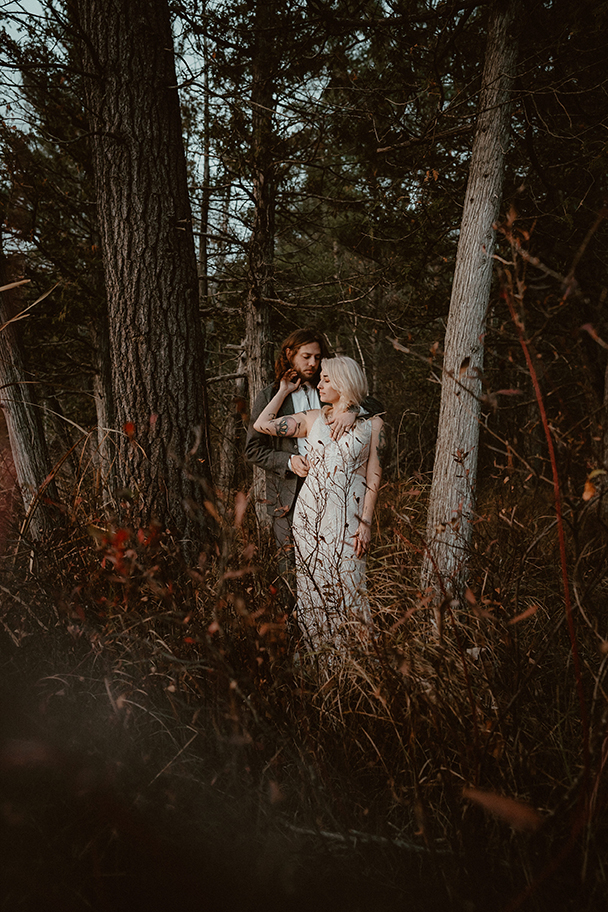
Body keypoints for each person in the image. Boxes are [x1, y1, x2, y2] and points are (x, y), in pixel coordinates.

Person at [253, 356, 385, 657]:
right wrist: (284, 391)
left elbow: (374, 477)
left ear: (343, 383)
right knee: (313, 587)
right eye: (321, 378)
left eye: (326, 379)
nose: (320, 384)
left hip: (348, 516)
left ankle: (355, 659)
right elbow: (262, 425)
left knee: (350, 583)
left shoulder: (372, 423)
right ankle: (320, 659)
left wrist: (365, 523)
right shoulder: (313, 418)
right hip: (309, 516)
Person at [245, 329, 360, 622]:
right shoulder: (270, 396)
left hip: (332, 490)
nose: (312, 363)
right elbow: (253, 448)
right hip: (287, 493)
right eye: (305, 356)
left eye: (317, 358)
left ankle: (333, 621)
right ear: (290, 355)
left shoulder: (331, 391)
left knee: (330, 559)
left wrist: (354, 411)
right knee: (290, 563)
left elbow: (367, 400)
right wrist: (288, 460)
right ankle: (295, 629)